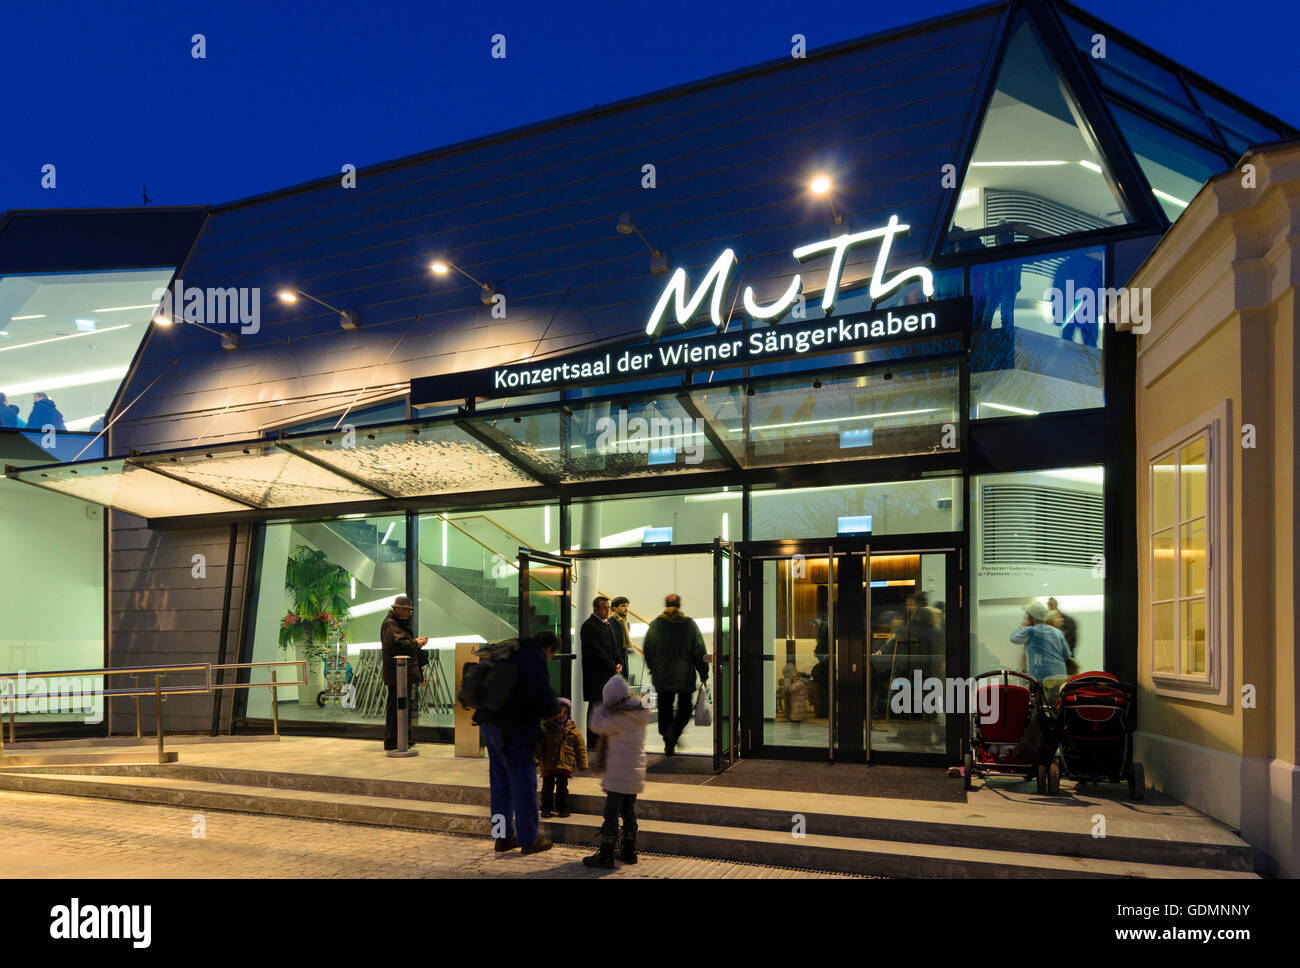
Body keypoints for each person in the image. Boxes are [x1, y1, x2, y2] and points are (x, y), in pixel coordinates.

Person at [475, 629, 562, 855]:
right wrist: (553, 710)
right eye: (552, 655)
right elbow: (540, 691)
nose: (550, 660)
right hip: (512, 730)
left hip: (489, 724)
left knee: (500, 785)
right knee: (524, 785)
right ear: (547, 649)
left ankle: (502, 837)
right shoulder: (533, 657)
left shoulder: (510, 650)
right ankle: (529, 839)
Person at [583, 673, 651, 868]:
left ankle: (606, 855)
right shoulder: (639, 712)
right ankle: (629, 852)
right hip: (635, 774)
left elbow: (595, 725)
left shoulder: (616, 718)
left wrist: (601, 707)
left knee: (611, 815)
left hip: (618, 776)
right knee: (628, 812)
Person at [642, 593, 709, 756]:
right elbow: (699, 650)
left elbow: (648, 648)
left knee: (665, 707)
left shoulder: (656, 624)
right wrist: (703, 672)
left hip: (662, 674)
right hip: (684, 673)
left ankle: (668, 738)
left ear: (665, 605)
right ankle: (674, 732)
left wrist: (654, 667)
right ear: (680, 605)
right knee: (685, 708)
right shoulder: (689, 625)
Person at [380, 595, 427, 751]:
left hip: (401, 672)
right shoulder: (390, 624)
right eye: (407, 610)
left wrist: (415, 642)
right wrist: (416, 642)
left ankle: (402, 737)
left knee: (401, 706)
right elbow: (398, 645)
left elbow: (401, 643)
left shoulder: (396, 623)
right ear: (398, 609)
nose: (409, 613)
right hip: (396, 673)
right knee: (395, 707)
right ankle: (393, 740)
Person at [535, 697, 587, 818]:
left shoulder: (573, 731)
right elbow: (538, 747)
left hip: (564, 764)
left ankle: (563, 808)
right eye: (559, 711)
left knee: (562, 788)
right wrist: (536, 759)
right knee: (547, 787)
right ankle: (546, 808)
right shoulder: (545, 729)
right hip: (548, 764)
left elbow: (580, 749)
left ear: (568, 714)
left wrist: (582, 763)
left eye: (565, 712)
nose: (561, 715)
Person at [580, 595, 621, 743]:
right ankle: (592, 739)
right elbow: (596, 651)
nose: (608, 610)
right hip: (596, 675)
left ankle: (602, 737)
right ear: (596, 609)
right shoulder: (589, 626)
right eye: (605, 608)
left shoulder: (606, 624)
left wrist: (618, 662)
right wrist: (612, 665)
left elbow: (614, 647)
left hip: (608, 674)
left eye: (609, 608)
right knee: (596, 706)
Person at [1011, 601, 1072, 691]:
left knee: (1041, 703)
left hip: (1041, 678)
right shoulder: (1058, 632)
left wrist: (1021, 625)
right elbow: (1067, 655)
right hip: (1060, 676)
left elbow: (1014, 638)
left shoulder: (1031, 631)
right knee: (1057, 703)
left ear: (1030, 617)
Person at [609, 596, 640, 681]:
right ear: (614, 608)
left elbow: (623, 644)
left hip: (624, 661)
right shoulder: (609, 623)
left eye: (627, 606)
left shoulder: (626, 624)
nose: (626, 609)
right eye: (623, 606)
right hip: (614, 663)